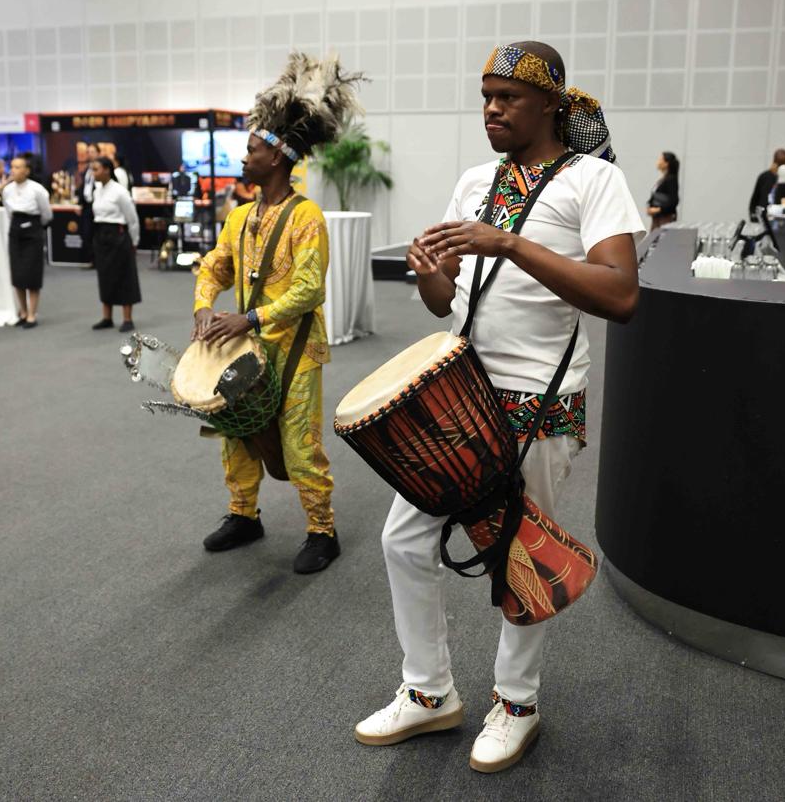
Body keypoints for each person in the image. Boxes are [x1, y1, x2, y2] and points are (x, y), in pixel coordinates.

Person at [354, 41, 641, 773]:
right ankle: (429, 691)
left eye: (507, 96)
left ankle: (517, 704)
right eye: (485, 96)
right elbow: (443, 300)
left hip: (540, 398)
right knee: (403, 539)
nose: (491, 109)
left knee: (520, 554)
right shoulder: (475, 181)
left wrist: (507, 243)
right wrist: (430, 274)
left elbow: (620, 295)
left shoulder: (594, 179)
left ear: (550, 104)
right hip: (459, 390)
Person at [193, 52, 363, 575]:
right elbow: (215, 266)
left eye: (252, 150)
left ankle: (322, 530)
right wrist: (204, 306)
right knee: (236, 430)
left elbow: (310, 290)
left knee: (300, 442)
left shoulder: (306, 216)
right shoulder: (240, 216)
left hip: (296, 350)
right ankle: (244, 515)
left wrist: (248, 319)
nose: (244, 158)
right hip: (246, 346)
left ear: (278, 157)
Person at [88, 157, 142, 332]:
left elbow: (132, 219)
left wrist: (134, 241)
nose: (93, 173)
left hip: (118, 236)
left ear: (107, 170)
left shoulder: (120, 192)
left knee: (124, 275)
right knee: (105, 275)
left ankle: (127, 319)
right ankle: (107, 317)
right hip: (101, 235)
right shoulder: (97, 190)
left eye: (96, 169)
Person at [0, 155, 52, 328]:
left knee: (32, 274)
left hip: (33, 230)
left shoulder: (37, 189)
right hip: (15, 230)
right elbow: (8, 211)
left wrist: (35, 227)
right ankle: (22, 311)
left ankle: (32, 314)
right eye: (12, 167)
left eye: (17, 167)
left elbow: (46, 214)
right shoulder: (7, 190)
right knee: (18, 274)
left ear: (27, 171)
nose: (13, 171)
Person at [76, 143, 101, 267]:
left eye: (92, 152)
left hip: (97, 205)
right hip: (87, 205)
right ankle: (92, 259)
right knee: (87, 233)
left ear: (98, 153)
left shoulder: (102, 168)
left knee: (97, 233)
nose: (90, 154)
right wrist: (80, 203)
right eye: (88, 152)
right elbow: (84, 187)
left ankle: (98, 260)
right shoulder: (86, 169)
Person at [749, 148, 785, 220]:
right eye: (780, 165)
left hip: (782, 217)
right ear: (775, 163)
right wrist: (753, 214)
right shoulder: (764, 177)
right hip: (764, 216)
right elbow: (755, 198)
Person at [647, 151, 679, 229]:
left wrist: (658, 209)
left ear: (666, 163)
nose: (658, 162)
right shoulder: (663, 179)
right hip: (657, 219)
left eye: (660, 159)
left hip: (665, 219)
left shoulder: (671, 180)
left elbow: (674, 200)